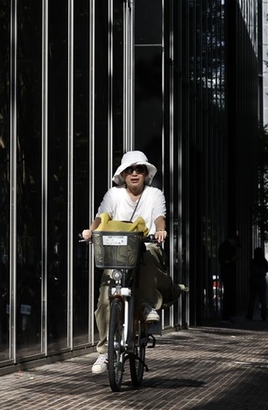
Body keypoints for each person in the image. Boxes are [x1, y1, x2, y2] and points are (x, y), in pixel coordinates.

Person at [81, 150, 187, 375]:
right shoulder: (114, 194)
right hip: (116, 252)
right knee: (104, 296)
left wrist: (160, 230)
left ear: (146, 173)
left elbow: (159, 216)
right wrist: (91, 230)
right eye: (130, 170)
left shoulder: (154, 194)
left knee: (146, 257)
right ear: (123, 174)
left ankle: (147, 304)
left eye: (140, 169)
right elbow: (102, 215)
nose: (135, 173)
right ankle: (104, 352)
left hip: (146, 245)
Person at [218, 234, 241, 322]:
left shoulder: (227, 247)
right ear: (233, 240)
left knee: (229, 294)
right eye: (235, 242)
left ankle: (227, 315)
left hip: (228, 274)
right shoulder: (225, 247)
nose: (235, 245)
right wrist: (233, 259)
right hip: (227, 274)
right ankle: (226, 315)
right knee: (228, 294)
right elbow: (223, 261)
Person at [245, 247, 268, 321]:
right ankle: (264, 315)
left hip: (253, 280)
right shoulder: (264, 261)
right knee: (263, 299)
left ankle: (250, 315)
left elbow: (250, 270)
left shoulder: (253, 261)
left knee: (252, 299)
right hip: (261, 280)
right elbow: (266, 270)